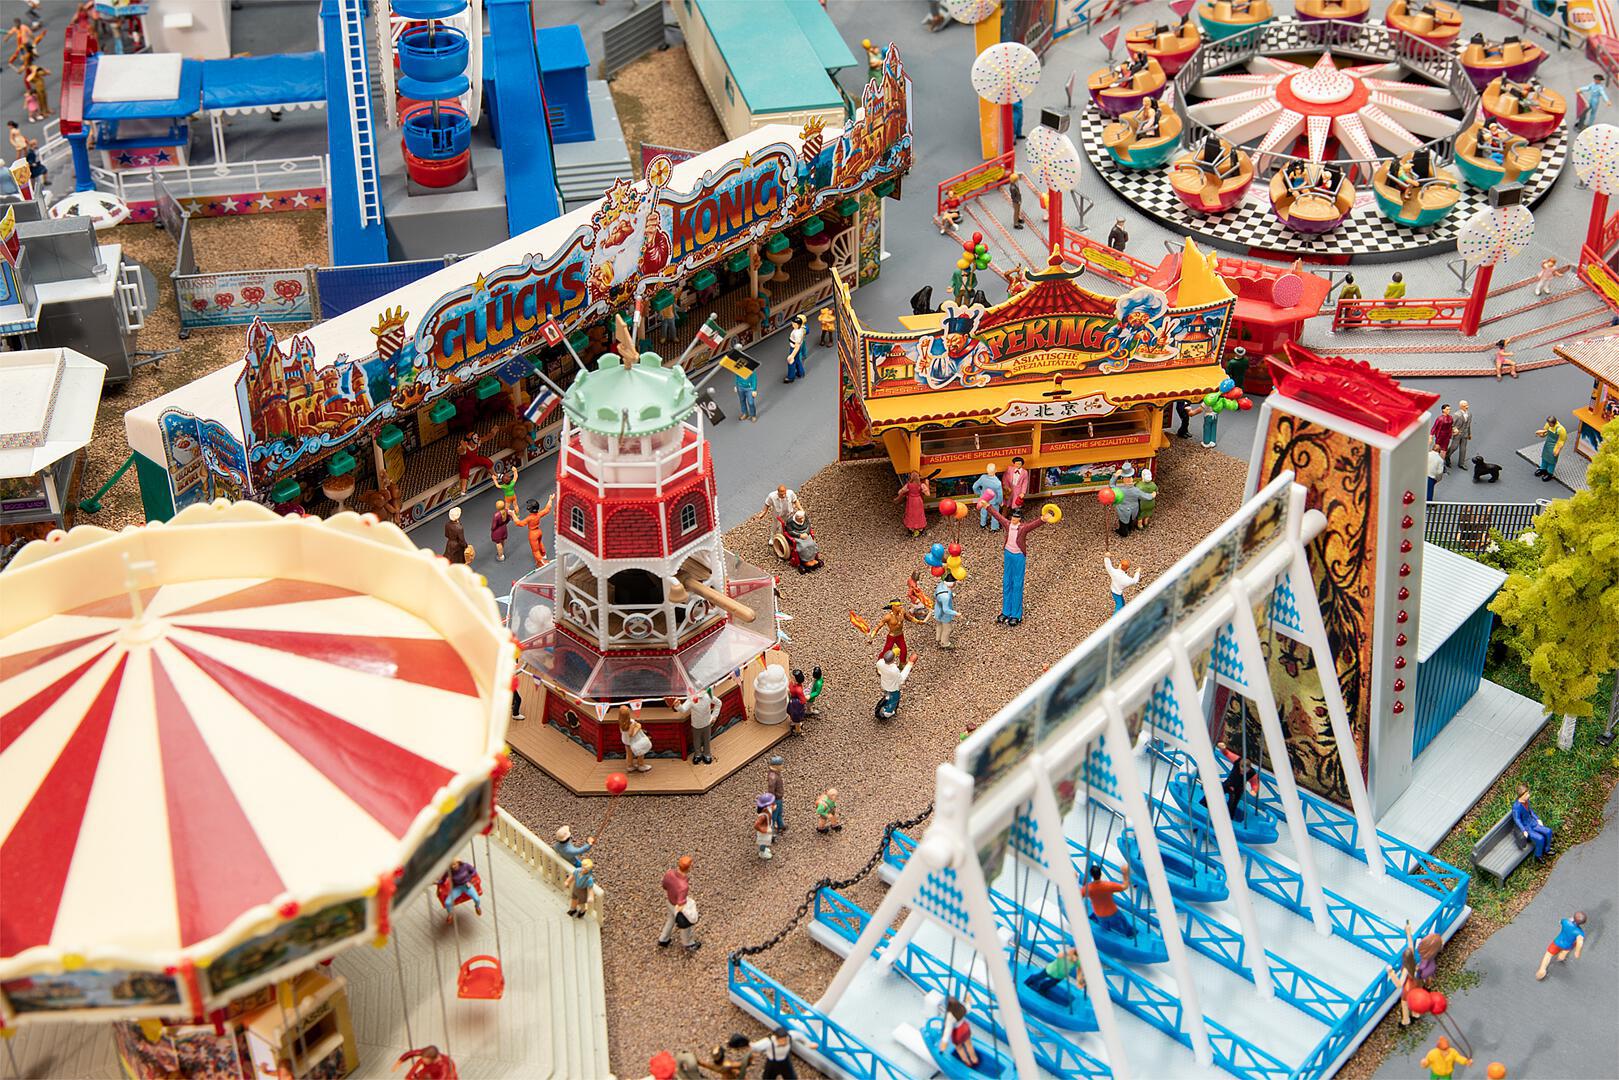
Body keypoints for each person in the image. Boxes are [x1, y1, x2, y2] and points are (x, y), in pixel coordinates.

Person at [982, 502, 1048, 627]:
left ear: (1020, 519)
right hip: (1008, 554)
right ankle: (1006, 611)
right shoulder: (1008, 525)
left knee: (1017, 584)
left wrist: (1043, 519)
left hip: (1018, 556)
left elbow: (1033, 525)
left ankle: (1016, 615)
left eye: (1016, 517)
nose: (1013, 519)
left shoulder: (1022, 528)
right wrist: (988, 507)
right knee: (1007, 582)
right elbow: (998, 516)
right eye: (1013, 517)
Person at [1082, 862, 1133, 938]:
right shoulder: (1108, 885)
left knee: (1105, 928)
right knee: (1123, 922)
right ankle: (1130, 934)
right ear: (1101, 874)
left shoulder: (1087, 888)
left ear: (1091, 875)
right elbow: (1124, 886)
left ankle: (1106, 936)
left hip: (1099, 914)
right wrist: (1125, 874)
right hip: (1113, 912)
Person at [669, 687, 719, 765]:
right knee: (696, 740)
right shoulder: (691, 700)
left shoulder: (708, 696)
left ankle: (707, 754)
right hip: (696, 724)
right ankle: (698, 754)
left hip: (707, 723)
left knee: (707, 740)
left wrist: (714, 716)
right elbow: (683, 709)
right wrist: (678, 706)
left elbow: (718, 703)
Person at [1535, 911, 1586, 980]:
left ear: (1573, 918)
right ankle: (1561, 958)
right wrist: (1577, 952)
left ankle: (1542, 970)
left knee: (1548, 955)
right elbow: (1580, 942)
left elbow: (1560, 921)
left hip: (1557, 942)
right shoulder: (1580, 932)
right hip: (1568, 945)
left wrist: (1570, 920)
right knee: (1565, 951)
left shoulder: (1565, 922)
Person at [752, 1027, 816, 1080]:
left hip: (785, 1061)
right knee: (768, 1078)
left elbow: (800, 1036)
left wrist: (809, 1044)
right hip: (772, 1063)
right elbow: (756, 1046)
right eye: (781, 1040)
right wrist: (750, 1046)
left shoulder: (790, 1036)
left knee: (791, 1077)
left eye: (784, 1040)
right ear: (776, 1038)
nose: (783, 1042)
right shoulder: (769, 1042)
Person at [1510, 782, 1554, 858]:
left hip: (1533, 823)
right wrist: (1524, 830)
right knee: (1540, 838)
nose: (1528, 795)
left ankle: (1547, 849)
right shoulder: (1516, 807)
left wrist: (1537, 819)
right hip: (1527, 827)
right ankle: (1538, 855)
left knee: (1548, 831)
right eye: (1526, 794)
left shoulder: (1527, 801)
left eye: (1528, 793)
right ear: (1521, 796)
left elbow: (1531, 811)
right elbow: (1517, 820)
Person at [939, 995, 980, 1069]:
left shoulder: (950, 1016)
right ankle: (974, 1059)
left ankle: (967, 1062)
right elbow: (968, 1007)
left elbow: (947, 1030)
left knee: (959, 1048)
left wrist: (943, 1045)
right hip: (965, 1028)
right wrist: (968, 999)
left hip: (958, 1032)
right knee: (969, 1044)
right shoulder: (962, 1007)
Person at [519, 494, 556, 567]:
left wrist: (513, 515)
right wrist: (550, 499)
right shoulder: (538, 514)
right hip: (539, 531)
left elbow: (520, 523)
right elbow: (547, 509)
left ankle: (541, 562)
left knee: (535, 551)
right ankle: (544, 555)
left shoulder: (529, 518)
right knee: (540, 543)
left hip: (533, 534)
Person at [876, 647, 913, 715]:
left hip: (884, 684)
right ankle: (887, 712)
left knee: (887, 695)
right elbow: (901, 679)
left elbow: (883, 663)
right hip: (893, 688)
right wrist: (909, 664)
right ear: (893, 660)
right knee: (894, 700)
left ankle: (886, 700)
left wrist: (894, 652)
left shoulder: (879, 663)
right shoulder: (894, 670)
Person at [618, 705, 653, 772]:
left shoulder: (621, 722)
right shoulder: (631, 723)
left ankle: (630, 766)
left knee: (629, 754)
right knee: (640, 753)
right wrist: (638, 727)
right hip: (634, 741)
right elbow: (631, 734)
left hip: (626, 741)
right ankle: (641, 765)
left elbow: (622, 732)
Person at [895, 470, 930, 537]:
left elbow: (899, 492)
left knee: (910, 513)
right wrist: (927, 484)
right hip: (918, 501)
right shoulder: (921, 485)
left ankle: (911, 528)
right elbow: (928, 494)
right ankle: (920, 528)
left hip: (911, 501)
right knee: (919, 514)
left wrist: (904, 492)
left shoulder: (908, 485)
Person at [971, 463, 1003, 530]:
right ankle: (994, 528)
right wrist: (999, 502)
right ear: (995, 470)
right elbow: (1000, 495)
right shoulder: (998, 483)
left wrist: (980, 493)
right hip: (994, 501)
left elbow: (974, 486)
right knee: (995, 514)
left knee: (983, 512)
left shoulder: (983, 478)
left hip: (984, 499)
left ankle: (983, 524)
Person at [1534, 415, 1566, 481]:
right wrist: (1541, 434)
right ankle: (1543, 469)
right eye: (1548, 423)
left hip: (1554, 445)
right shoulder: (1548, 425)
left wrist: (1558, 449)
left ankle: (1549, 473)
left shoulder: (1560, 429)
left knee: (1552, 460)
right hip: (1547, 444)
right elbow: (1545, 432)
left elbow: (1562, 440)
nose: (1549, 424)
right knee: (1544, 457)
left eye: (1550, 423)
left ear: (1553, 422)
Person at [933, 575, 960, 649]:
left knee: (939, 625)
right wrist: (956, 613)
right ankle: (944, 643)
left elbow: (934, 594)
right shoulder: (946, 597)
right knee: (947, 629)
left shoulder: (941, 585)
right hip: (944, 616)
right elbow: (946, 610)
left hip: (937, 611)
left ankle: (938, 638)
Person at [766, 755, 787, 836]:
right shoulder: (773, 777)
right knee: (773, 816)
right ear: (776, 766)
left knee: (779, 813)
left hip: (779, 798)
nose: (782, 766)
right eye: (781, 764)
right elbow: (771, 790)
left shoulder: (776, 774)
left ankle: (780, 825)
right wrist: (772, 801)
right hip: (776, 799)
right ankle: (771, 832)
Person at [785, 314, 808, 383]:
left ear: (797, 325)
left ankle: (790, 377)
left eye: (794, 323)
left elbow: (797, 346)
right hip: (794, 346)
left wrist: (792, 355)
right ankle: (801, 372)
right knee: (797, 361)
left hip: (794, 348)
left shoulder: (797, 333)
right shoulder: (798, 330)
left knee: (791, 362)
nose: (792, 324)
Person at [1431, 404, 1455, 471]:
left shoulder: (1450, 418)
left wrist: (1452, 432)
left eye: (1449, 409)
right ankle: (1433, 462)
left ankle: (1441, 464)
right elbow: (1434, 427)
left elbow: (1451, 426)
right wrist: (1431, 435)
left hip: (1446, 436)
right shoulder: (1440, 418)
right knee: (1437, 449)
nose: (1449, 410)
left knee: (1444, 450)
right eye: (1447, 409)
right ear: (1443, 410)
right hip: (1440, 436)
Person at [753, 793, 776, 859]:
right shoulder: (763, 816)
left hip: (768, 826)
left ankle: (764, 849)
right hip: (764, 832)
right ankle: (762, 852)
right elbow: (756, 825)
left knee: (767, 840)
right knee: (763, 842)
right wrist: (764, 830)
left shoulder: (768, 809)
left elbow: (772, 809)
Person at [1452, 400, 1472, 467]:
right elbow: (1451, 424)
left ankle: (1461, 463)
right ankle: (1447, 456)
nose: (1467, 407)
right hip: (1457, 434)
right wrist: (1455, 429)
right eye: (1464, 406)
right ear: (1460, 406)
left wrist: (1469, 433)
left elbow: (1468, 425)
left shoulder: (1469, 414)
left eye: (1467, 405)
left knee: (1463, 449)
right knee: (1454, 447)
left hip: (1465, 434)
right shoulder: (1456, 415)